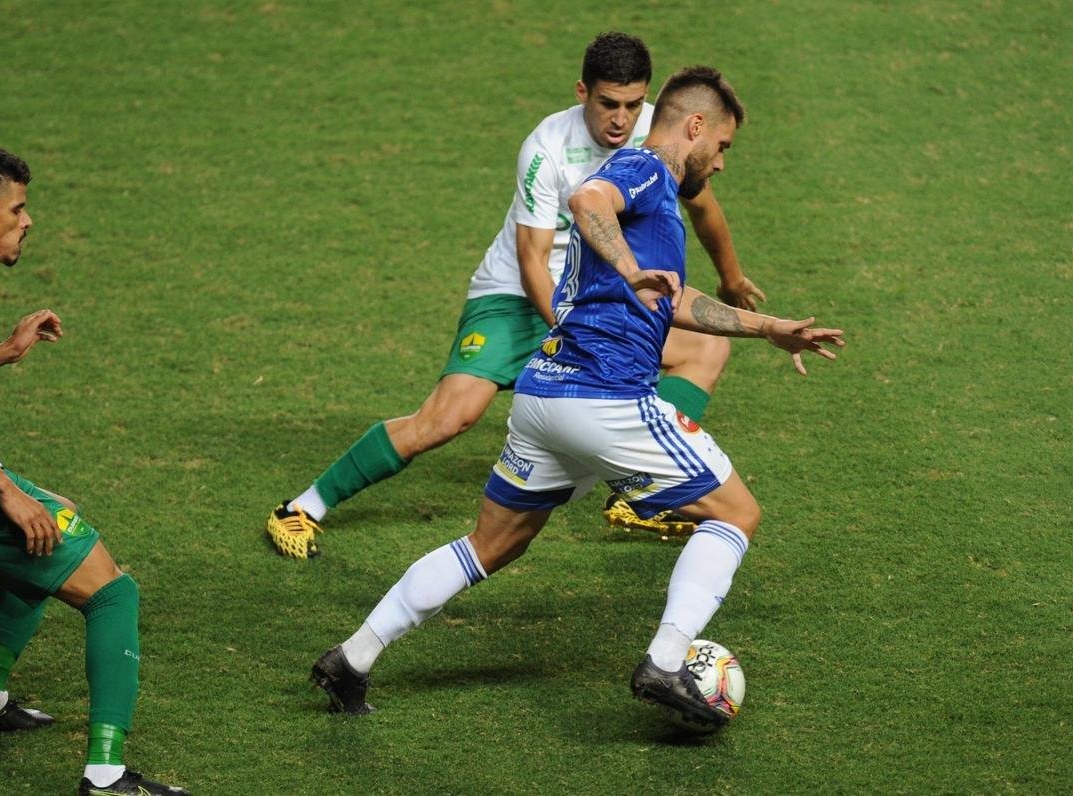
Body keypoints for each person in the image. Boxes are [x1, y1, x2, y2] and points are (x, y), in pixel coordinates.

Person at [309, 67, 844, 729]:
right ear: (696, 126)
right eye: (725, 146)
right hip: (607, 398)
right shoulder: (646, 169)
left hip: (544, 397)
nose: (722, 163)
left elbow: (672, 298)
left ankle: (353, 658)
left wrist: (769, 327)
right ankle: (666, 660)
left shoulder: (658, 204)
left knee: (491, 545)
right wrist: (625, 269)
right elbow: (587, 201)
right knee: (736, 514)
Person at [266, 32, 767, 559]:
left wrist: (731, 279)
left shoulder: (659, 138)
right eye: (607, 104)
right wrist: (572, 337)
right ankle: (302, 507)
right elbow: (532, 261)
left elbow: (702, 205)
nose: (620, 119)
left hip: (599, 295)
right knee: (448, 418)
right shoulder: (547, 147)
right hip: (515, 296)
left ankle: (637, 491)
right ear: (582, 93)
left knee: (707, 348)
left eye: (633, 104)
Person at [0, 145, 188, 796]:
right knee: (112, 591)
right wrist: (3, 493)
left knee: (47, 525)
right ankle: (104, 775)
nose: (28, 220)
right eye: (16, 209)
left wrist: (3, 351)